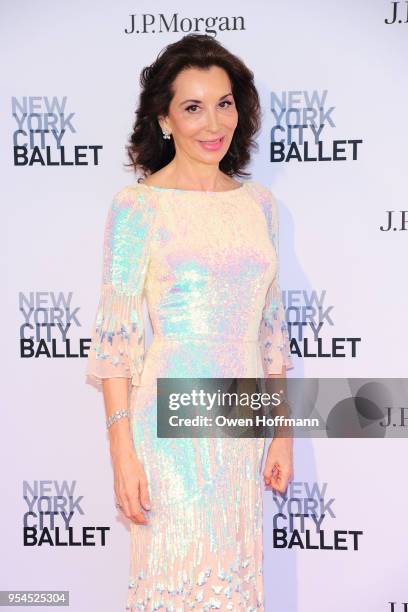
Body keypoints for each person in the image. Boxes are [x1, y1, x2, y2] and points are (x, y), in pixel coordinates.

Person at [85, 33, 294, 611]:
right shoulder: (138, 206)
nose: (212, 123)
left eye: (224, 103)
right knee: (174, 574)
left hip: (239, 419)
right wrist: (122, 456)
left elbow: (270, 332)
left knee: (232, 576)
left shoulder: (259, 207)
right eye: (193, 107)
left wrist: (283, 431)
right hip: (168, 425)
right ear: (165, 119)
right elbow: (117, 343)